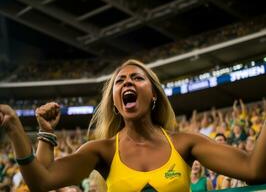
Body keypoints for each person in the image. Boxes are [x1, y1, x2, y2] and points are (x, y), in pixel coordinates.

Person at [1, 59, 266, 192]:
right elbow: (42, 181)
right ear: (115, 103)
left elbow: (253, 169)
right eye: (120, 81)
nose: (127, 82)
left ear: (153, 95)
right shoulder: (101, 151)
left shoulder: (186, 143)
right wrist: (19, 129)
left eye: (137, 78)